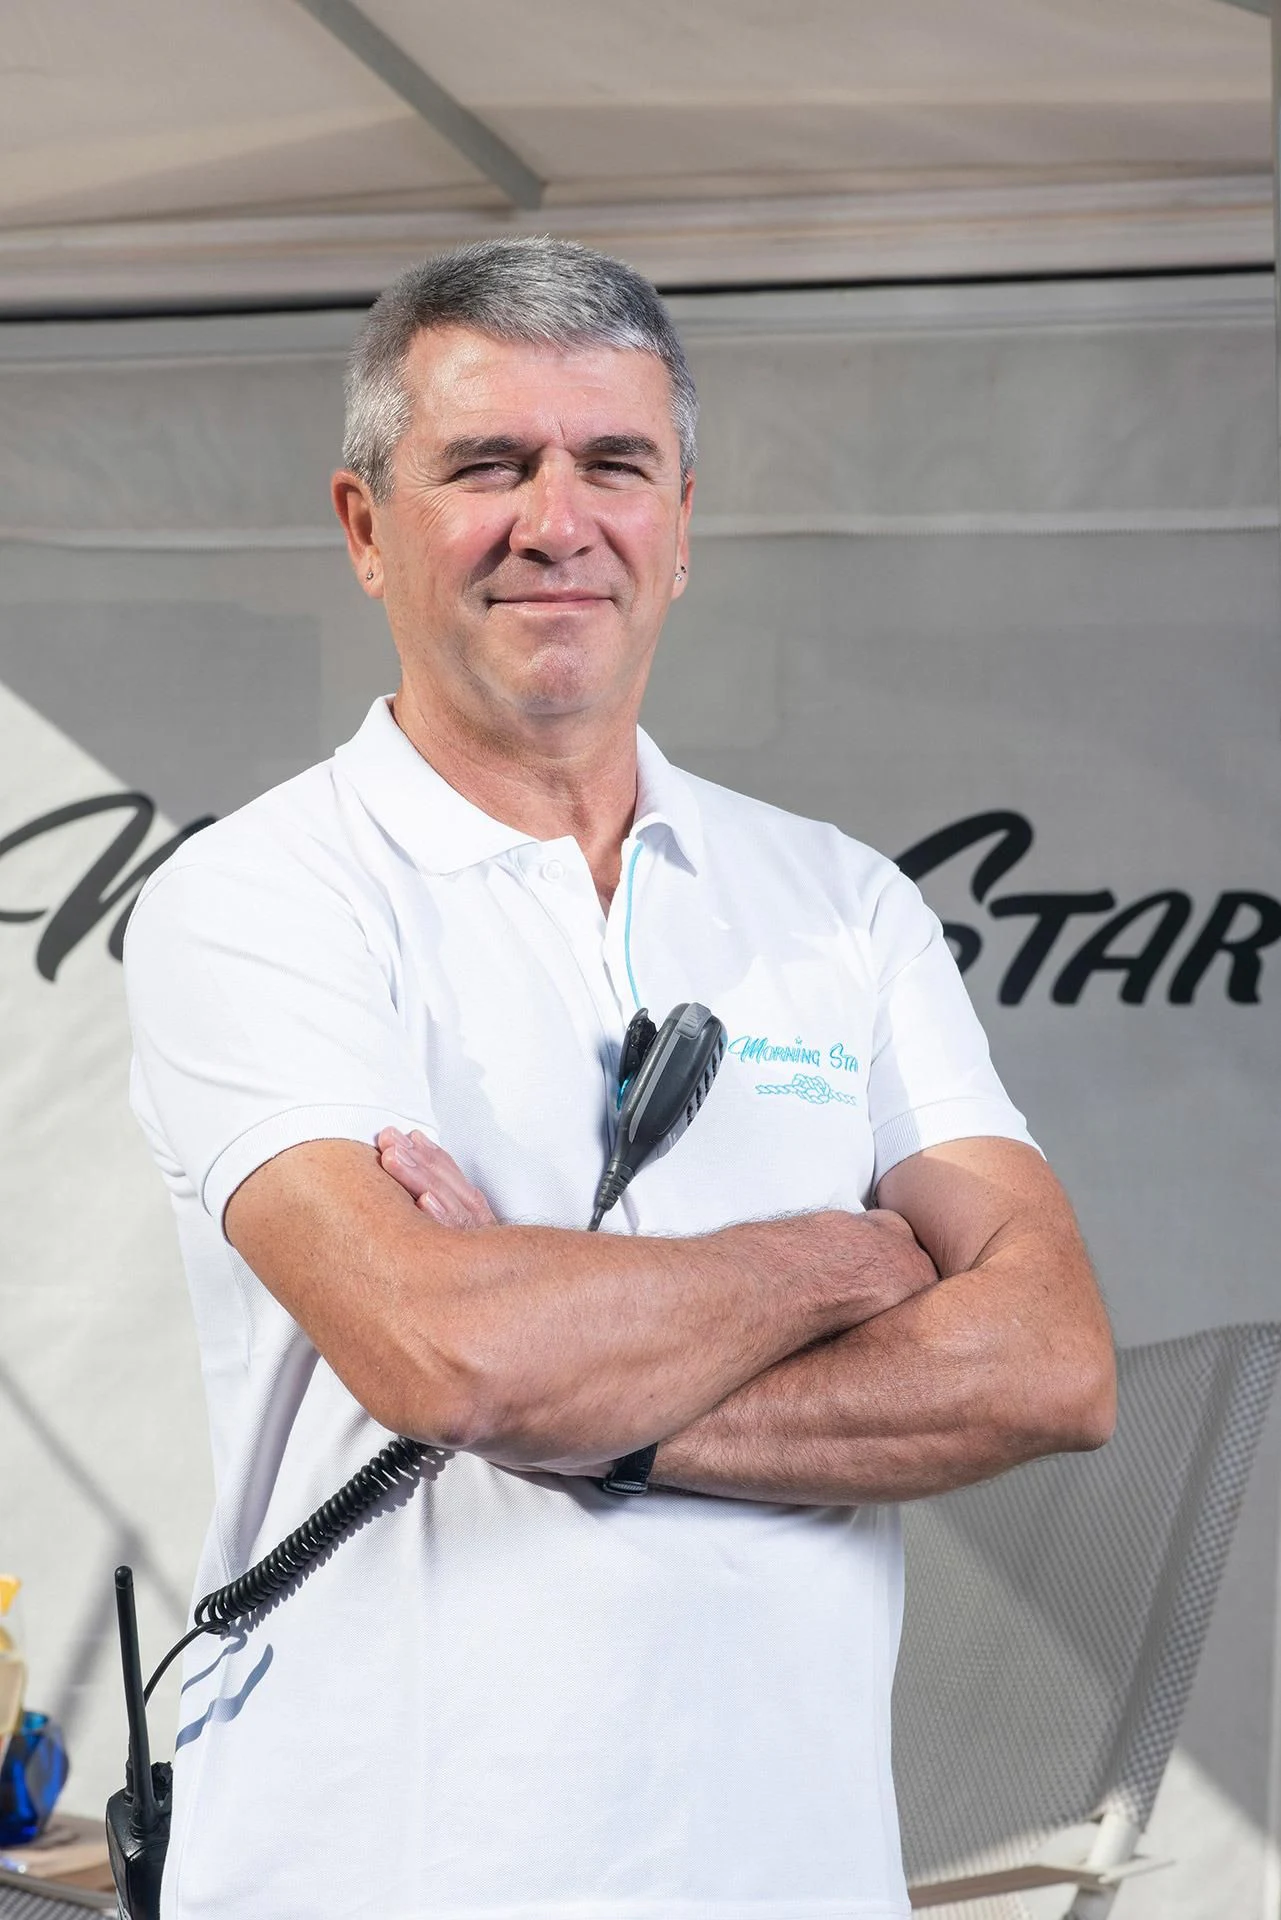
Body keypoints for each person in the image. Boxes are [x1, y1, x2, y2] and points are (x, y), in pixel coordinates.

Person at [123, 237, 1115, 1920]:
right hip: (379, 1874)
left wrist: (597, 1407)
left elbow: (1051, 1364)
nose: (555, 519)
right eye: (487, 465)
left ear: (681, 526)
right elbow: (450, 1353)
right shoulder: (263, 895)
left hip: (791, 1877)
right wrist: (840, 1260)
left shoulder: (839, 903)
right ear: (366, 528)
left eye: (614, 465)